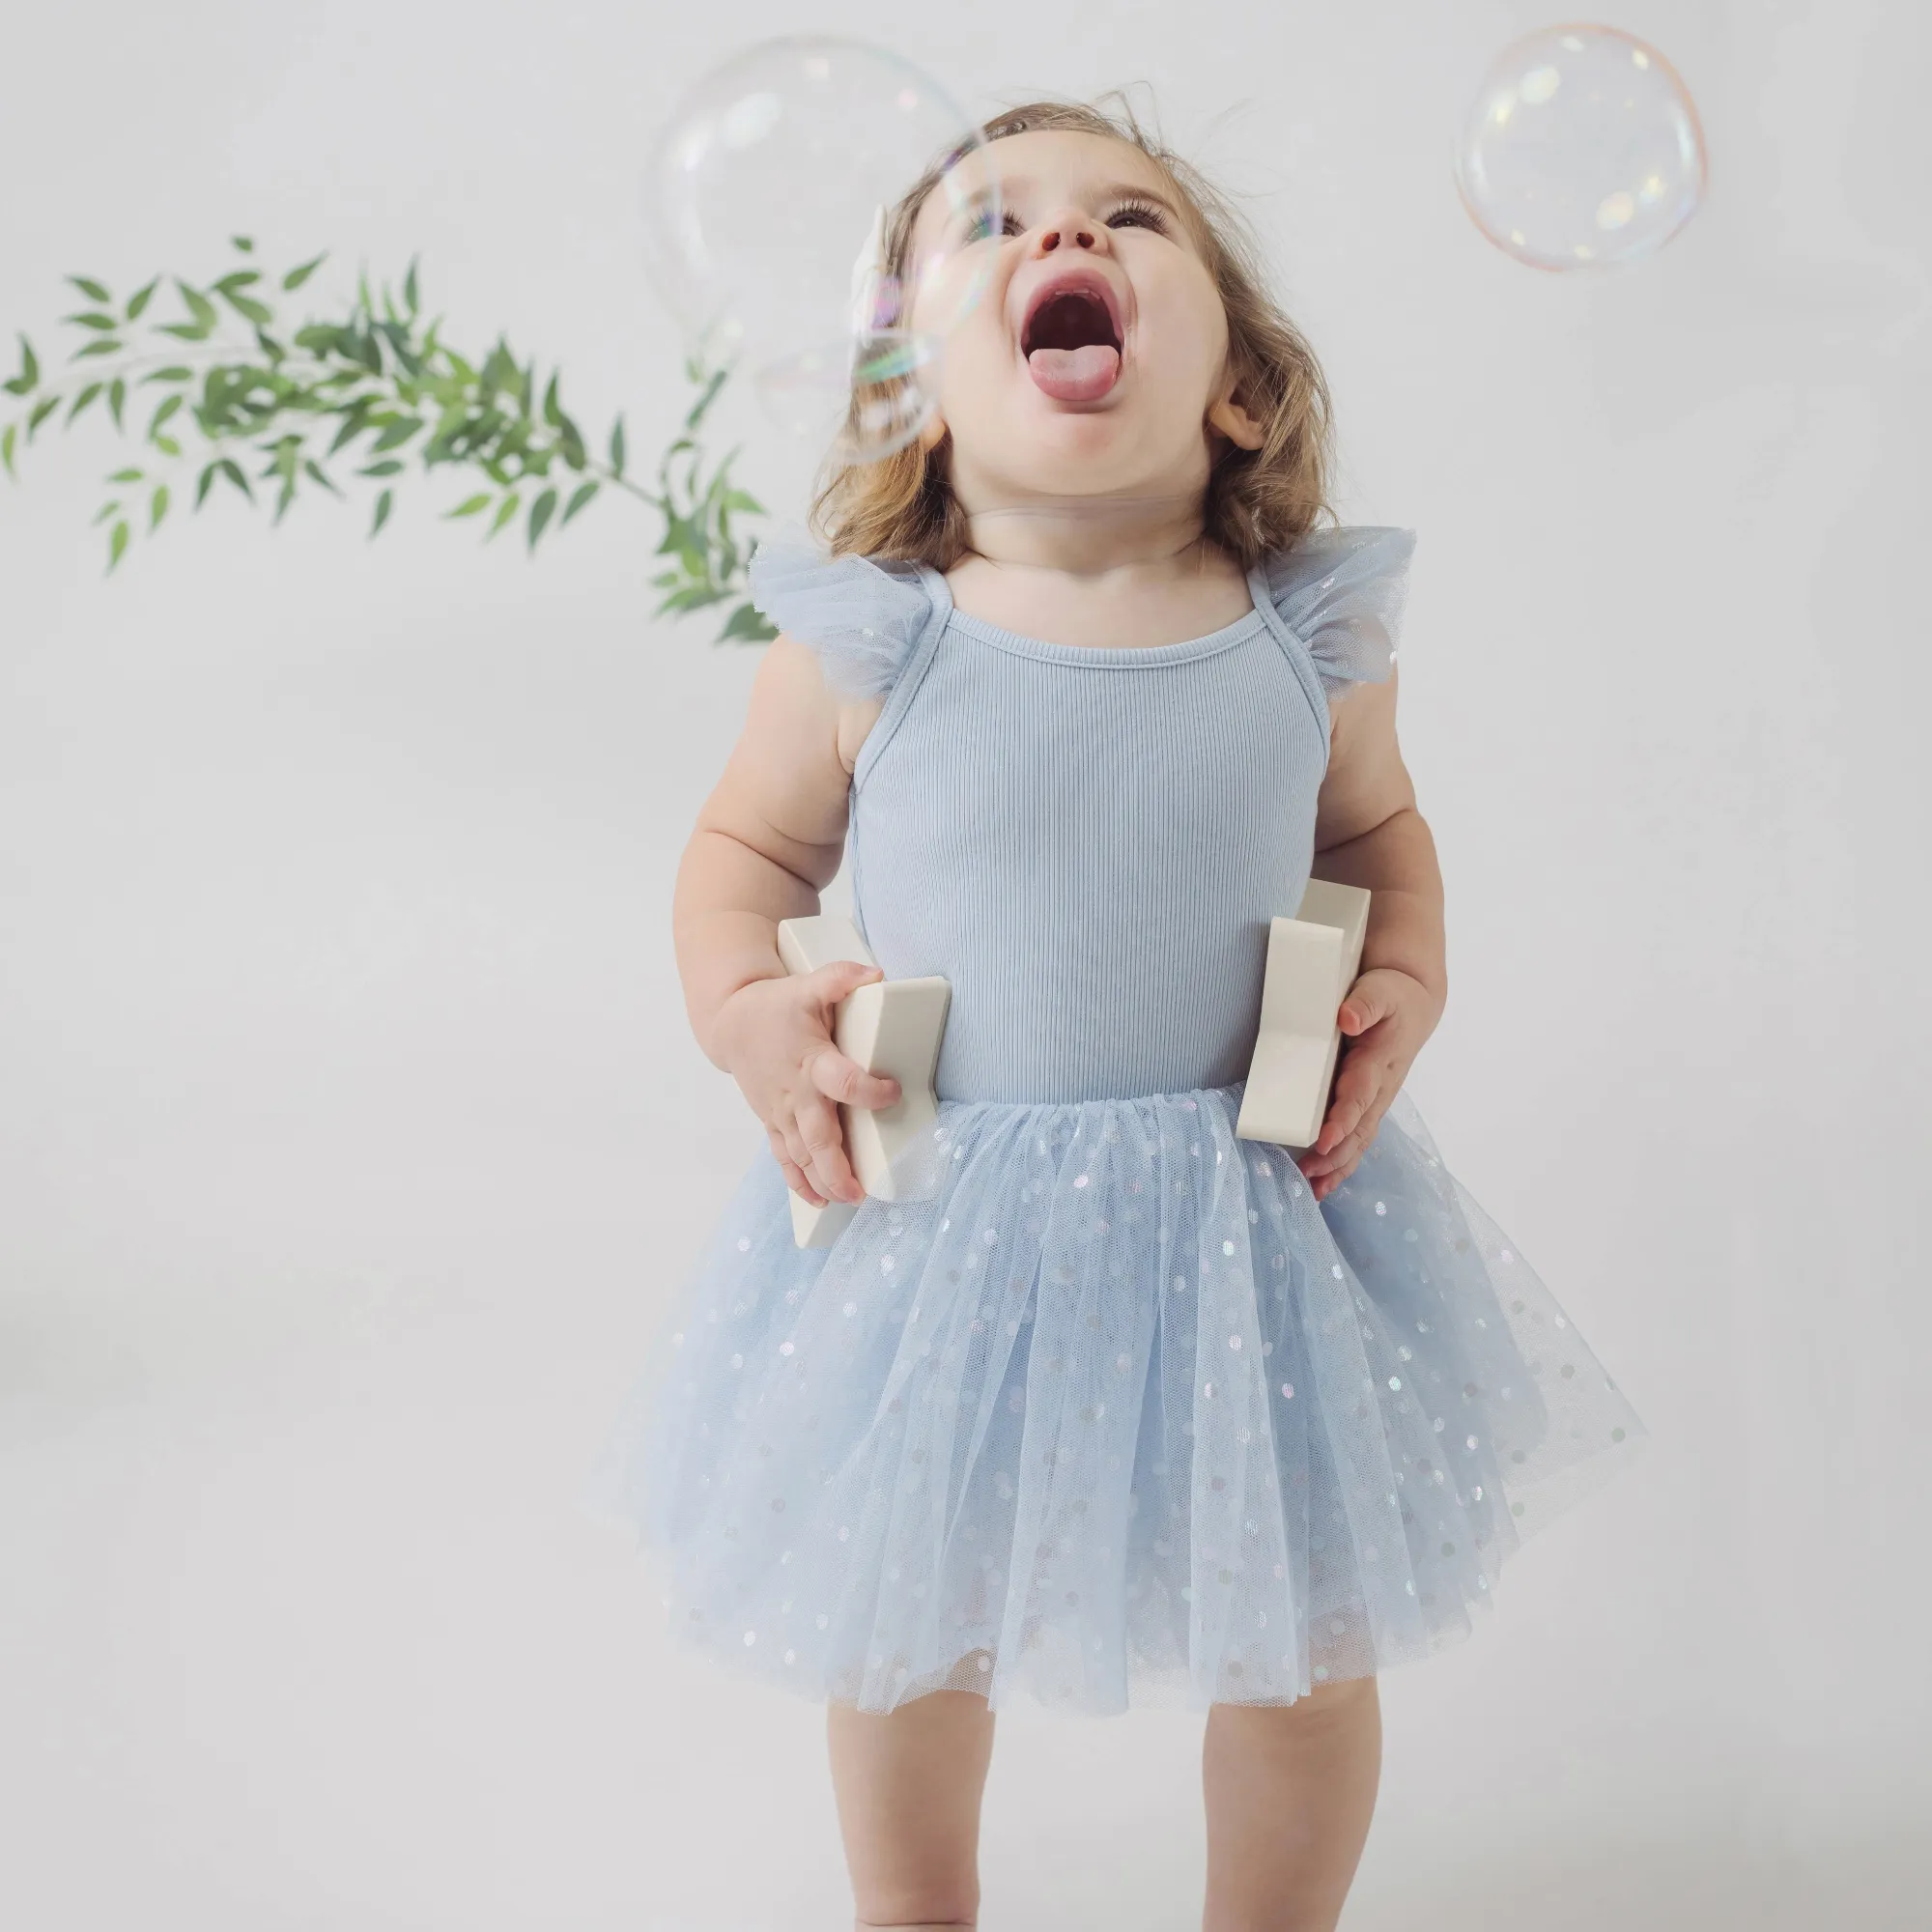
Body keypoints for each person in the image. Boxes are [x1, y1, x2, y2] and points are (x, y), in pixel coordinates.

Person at [589, 95, 1647, 1932]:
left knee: (1307, 1645)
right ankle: (915, 1912)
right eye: (994, 227)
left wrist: (1410, 961)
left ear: (1240, 388)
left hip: (1247, 1212)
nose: (1065, 244)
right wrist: (747, 1007)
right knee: (913, 1631)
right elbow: (737, 858)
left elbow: (1379, 834)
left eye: (1129, 221)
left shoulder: (1299, 631)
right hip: (945, 1226)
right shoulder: (877, 641)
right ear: (907, 388)